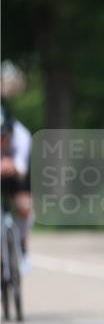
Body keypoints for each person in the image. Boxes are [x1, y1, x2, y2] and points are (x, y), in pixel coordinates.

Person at [0, 103, 32, 272]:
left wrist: (9, 165)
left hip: (16, 175)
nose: (1, 141)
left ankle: (23, 245)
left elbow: (21, 169)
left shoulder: (22, 135)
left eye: (4, 137)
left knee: (24, 205)